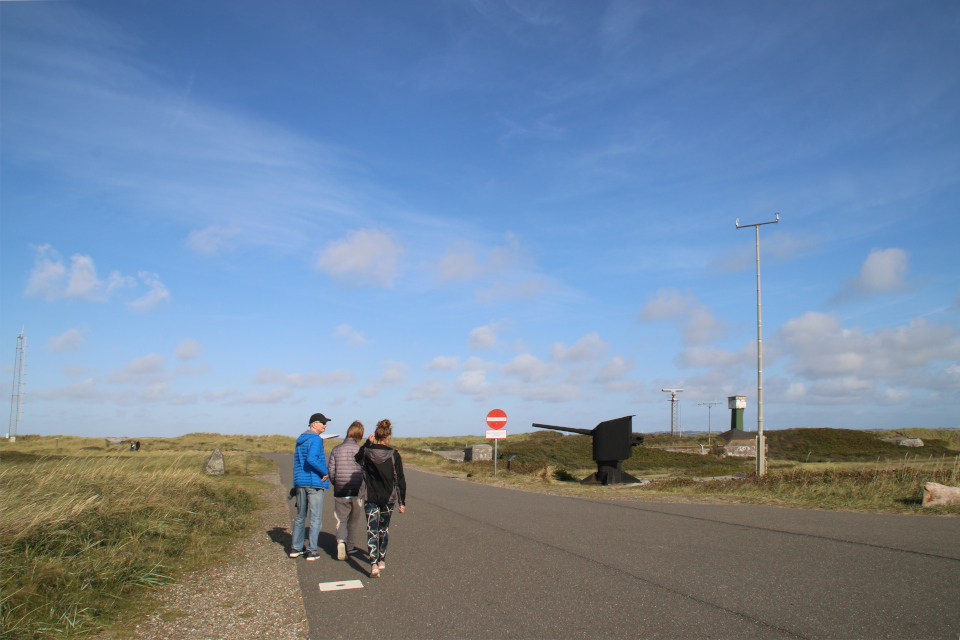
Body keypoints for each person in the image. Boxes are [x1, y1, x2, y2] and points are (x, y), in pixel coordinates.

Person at [355, 419, 406, 578]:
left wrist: (366, 444)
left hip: (370, 496)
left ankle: (373, 564)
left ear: (375, 436)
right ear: (388, 437)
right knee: (384, 528)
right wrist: (402, 501)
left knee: (372, 529)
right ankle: (381, 558)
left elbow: (357, 458)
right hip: (388, 498)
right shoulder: (394, 454)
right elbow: (400, 480)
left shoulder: (368, 452)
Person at [290, 413, 331, 561]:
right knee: (315, 518)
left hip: (301, 482)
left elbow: (299, 462)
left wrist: (296, 483)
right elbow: (312, 458)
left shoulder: (301, 440)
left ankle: (296, 547)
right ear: (313, 424)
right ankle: (312, 550)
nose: (325, 425)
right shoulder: (316, 439)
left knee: (300, 516)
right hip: (314, 483)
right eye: (323, 423)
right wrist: (325, 471)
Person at [328, 421, 366, 561]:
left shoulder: (336, 450)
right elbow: (365, 471)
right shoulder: (361, 450)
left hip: (340, 491)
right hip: (357, 491)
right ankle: (350, 546)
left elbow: (331, 471)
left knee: (341, 519)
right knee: (353, 521)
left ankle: (341, 542)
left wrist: (336, 483)